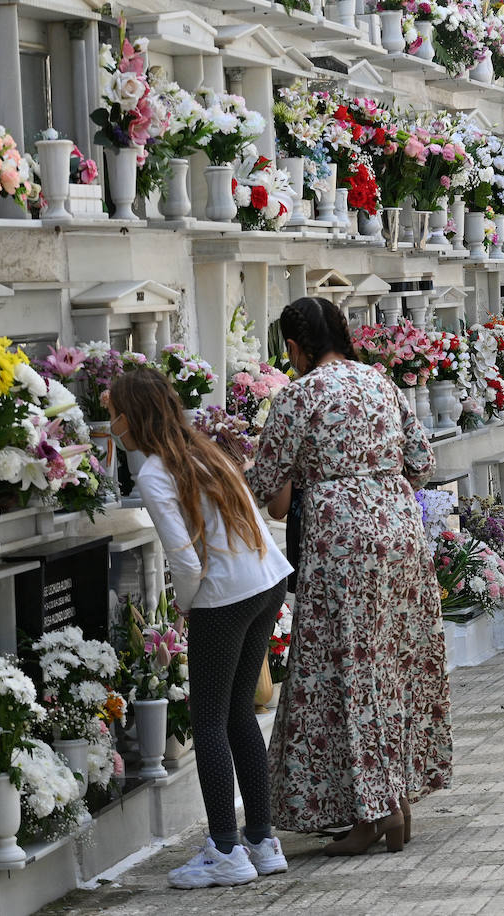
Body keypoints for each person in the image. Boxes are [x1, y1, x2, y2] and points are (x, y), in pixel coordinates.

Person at [246, 297, 452, 855]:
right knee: (392, 662)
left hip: (341, 535)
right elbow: (420, 460)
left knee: (350, 668)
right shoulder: (379, 381)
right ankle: (398, 801)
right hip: (398, 525)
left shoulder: (297, 395)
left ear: (294, 346)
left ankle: (371, 814)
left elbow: (274, 494)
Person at [108, 367, 294, 889]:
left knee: (208, 718)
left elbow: (185, 562)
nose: (110, 426)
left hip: (225, 594)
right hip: (265, 581)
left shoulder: (153, 472)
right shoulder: (205, 450)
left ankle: (225, 850)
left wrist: (189, 608)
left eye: (113, 415)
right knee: (239, 715)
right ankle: (261, 839)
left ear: (130, 418)